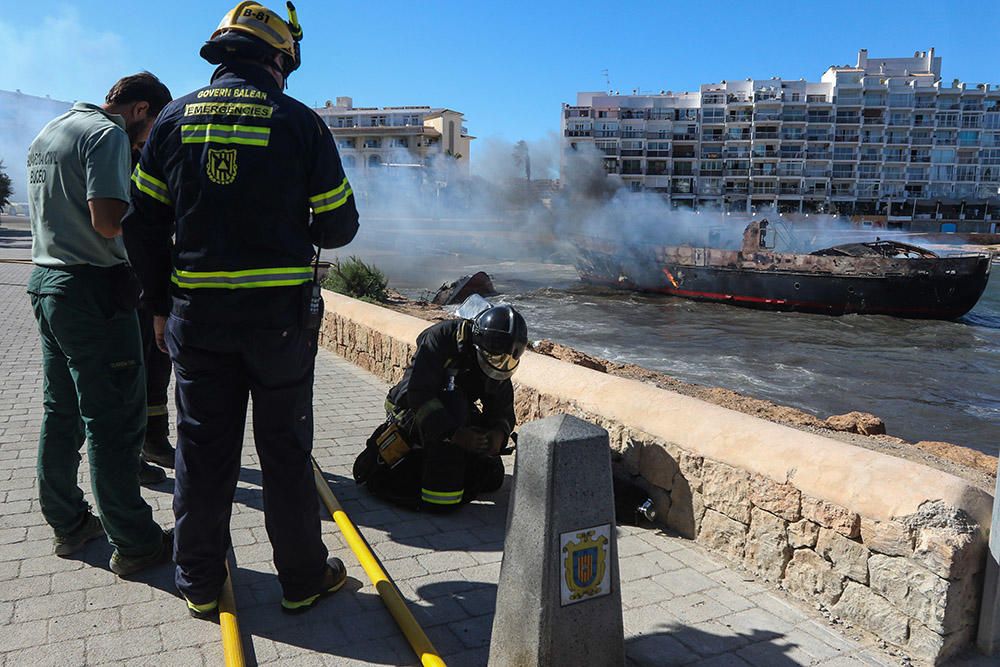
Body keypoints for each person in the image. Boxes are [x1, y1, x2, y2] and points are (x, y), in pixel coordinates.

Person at [123, 2, 360, 618]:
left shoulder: (173, 120)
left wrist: (155, 306)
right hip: (279, 325)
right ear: (278, 59)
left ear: (220, 55)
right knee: (283, 450)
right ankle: (303, 579)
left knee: (201, 451)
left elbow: (141, 225)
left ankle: (198, 582)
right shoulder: (300, 123)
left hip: (196, 321)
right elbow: (339, 228)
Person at [25, 72, 174, 575]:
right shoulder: (107, 134)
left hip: (48, 283)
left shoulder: (53, 129)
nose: (149, 139)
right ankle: (135, 541)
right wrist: (157, 221)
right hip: (93, 291)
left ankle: (68, 523)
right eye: (153, 127)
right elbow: (108, 221)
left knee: (61, 410)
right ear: (139, 110)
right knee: (113, 418)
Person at [353, 305, 527, 512]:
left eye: (506, 361)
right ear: (478, 343)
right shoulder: (440, 338)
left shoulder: (496, 359)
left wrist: (498, 433)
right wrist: (454, 434)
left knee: (492, 477)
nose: (499, 364)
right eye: (496, 358)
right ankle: (438, 492)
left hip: (457, 411)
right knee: (453, 406)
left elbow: (501, 404)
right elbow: (419, 393)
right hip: (413, 410)